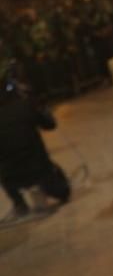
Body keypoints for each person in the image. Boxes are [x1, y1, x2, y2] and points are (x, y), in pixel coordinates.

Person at [0, 54, 70, 221]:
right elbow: (50, 124)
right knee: (63, 193)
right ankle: (46, 190)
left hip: (10, 177)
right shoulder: (25, 105)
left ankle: (19, 204)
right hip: (39, 170)